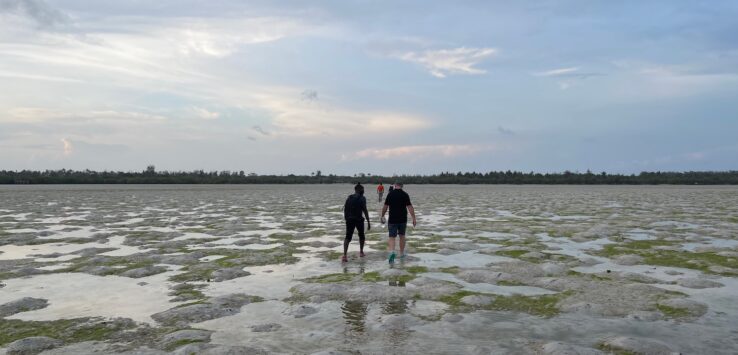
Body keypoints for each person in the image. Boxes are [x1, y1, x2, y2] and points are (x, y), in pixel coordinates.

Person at [380, 182, 416, 263]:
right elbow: (410, 207)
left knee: (392, 237)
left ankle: (392, 252)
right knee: (402, 236)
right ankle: (402, 253)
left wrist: (382, 215)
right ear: (402, 186)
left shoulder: (390, 194)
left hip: (392, 219)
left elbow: (385, 206)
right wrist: (414, 218)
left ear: (395, 186)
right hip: (402, 219)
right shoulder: (405, 194)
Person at [342, 183, 370, 262]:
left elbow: (345, 209)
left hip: (350, 220)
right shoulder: (362, 198)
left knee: (348, 237)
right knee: (361, 236)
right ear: (358, 190)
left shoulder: (349, 198)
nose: (363, 191)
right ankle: (361, 252)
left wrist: (346, 219)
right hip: (358, 220)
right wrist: (368, 221)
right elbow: (365, 210)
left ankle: (344, 256)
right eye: (362, 189)